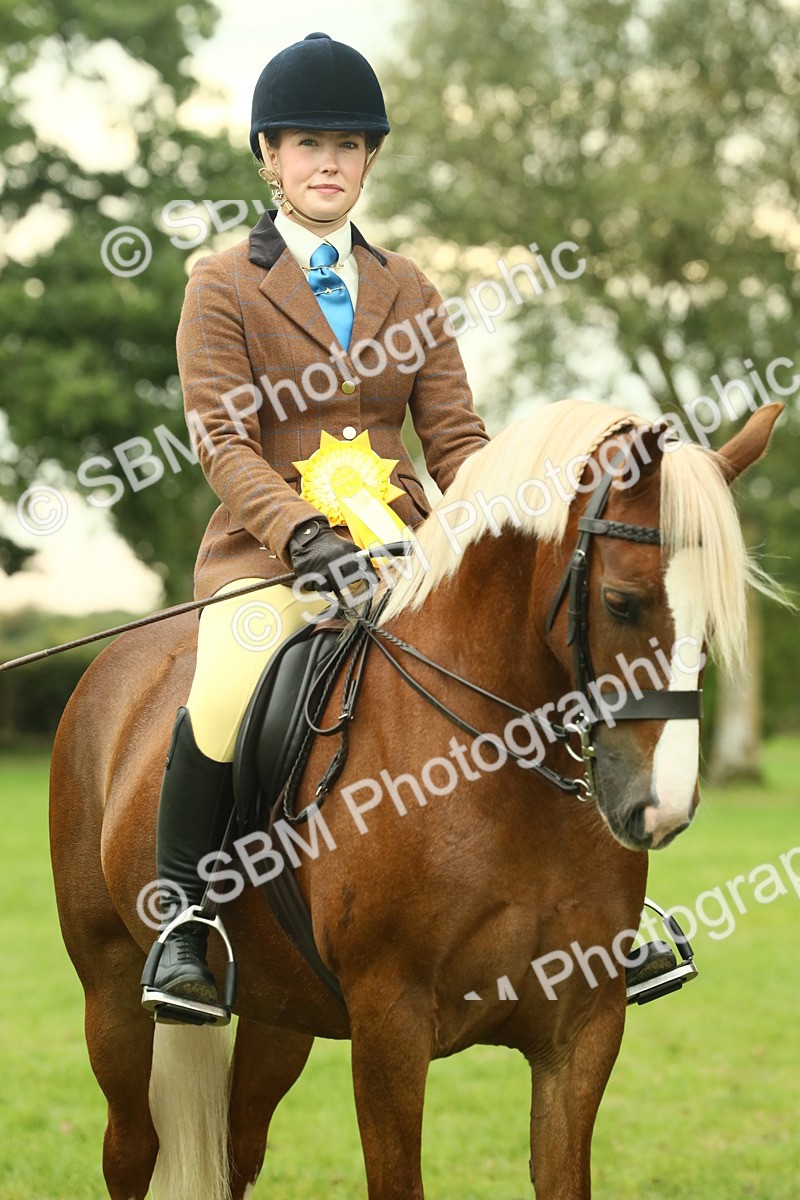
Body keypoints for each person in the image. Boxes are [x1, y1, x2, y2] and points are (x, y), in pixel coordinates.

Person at [143, 32, 490, 1021]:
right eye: (305, 143)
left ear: (370, 157)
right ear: (269, 157)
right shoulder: (221, 283)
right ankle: (183, 927)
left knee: (530, 650)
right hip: (270, 554)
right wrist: (302, 535)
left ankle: (584, 918)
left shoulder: (410, 287)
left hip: (405, 552)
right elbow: (220, 439)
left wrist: (497, 519)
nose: (327, 161)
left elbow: (456, 439)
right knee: (225, 681)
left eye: (347, 143)